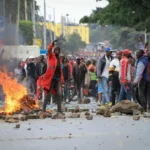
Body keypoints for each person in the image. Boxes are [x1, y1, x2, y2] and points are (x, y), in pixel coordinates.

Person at [41, 40, 64, 113]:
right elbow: (49, 50)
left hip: (57, 79)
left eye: (58, 50)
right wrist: (52, 44)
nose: (57, 51)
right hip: (51, 79)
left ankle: (59, 110)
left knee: (59, 94)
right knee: (48, 94)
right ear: (54, 51)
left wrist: (61, 79)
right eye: (56, 50)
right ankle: (43, 109)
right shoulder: (51, 56)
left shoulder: (59, 59)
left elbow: (60, 70)